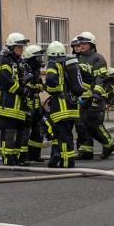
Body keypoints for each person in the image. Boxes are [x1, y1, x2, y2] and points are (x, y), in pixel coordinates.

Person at [72, 31, 114, 160]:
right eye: (80, 44)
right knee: (81, 125)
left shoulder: (98, 58)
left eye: (85, 43)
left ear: (91, 44)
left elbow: (100, 78)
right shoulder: (79, 58)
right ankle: (86, 151)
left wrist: (96, 94)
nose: (82, 46)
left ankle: (109, 143)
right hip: (81, 98)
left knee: (94, 124)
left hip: (95, 97)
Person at [43, 40, 83, 168]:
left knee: (63, 136)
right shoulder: (67, 64)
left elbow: (50, 80)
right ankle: (55, 159)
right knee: (64, 134)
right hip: (72, 106)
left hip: (60, 107)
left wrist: (47, 88)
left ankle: (67, 163)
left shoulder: (53, 64)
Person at [0, 32, 32, 165]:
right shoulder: (4, 61)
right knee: (9, 133)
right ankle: (7, 158)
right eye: (19, 47)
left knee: (19, 133)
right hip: (8, 104)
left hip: (20, 106)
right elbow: (6, 82)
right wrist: (22, 90)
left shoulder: (19, 62)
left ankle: (16, 157)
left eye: (22, 47)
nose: (21, 50)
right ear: (11, 47)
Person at [22, 43, 46, 163]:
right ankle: (24, 155)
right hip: (27, 104)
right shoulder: (25, 69)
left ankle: (35, 155)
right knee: (25, 131)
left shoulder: (36, 71)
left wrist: (39, 86)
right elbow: (27, 86)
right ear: (31, 59)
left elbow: (40, 85)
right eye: (38, 58)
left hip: (36, 104)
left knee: (39, 129)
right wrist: (37, 87)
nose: (40, 60)